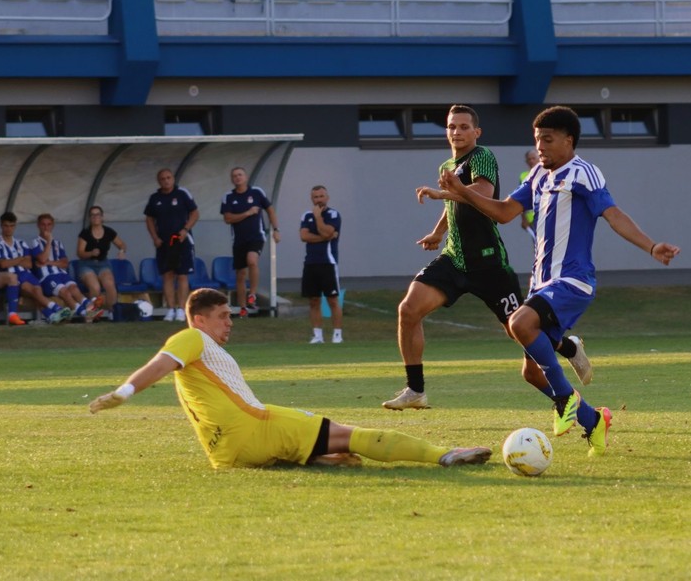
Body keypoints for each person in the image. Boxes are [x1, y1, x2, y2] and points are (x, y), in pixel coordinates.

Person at [436, 105, 680, 456]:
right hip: (541, 282)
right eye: (537, 141)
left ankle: (565, 398)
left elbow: (613, 214)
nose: (541, 148)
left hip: (572, 280)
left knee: (519, 322)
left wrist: (651, 246)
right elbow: (504, 213)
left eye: (548, 140)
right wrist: (462, 191)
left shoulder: (584, 173)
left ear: (569, 140)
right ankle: (595, 421)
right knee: (532, 373)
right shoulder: (536, 176)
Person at [89, 288, 492, 471]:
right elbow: (160, 364)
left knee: (326, 448)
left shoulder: (201, 354)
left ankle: (315, 457)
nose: (230, 321)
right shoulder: (191, 337)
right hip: (256, 426)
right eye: (224, 315)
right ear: (200, 318)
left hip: (226, 456)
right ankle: (444, 454)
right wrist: (124, 392)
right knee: (355, 435)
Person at [382, 105, 591, 411]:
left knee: (522, 336)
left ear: (476, 132)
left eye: (464, 126)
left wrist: (444, 193)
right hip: (455, 258)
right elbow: (456, 205)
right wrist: (439, 232)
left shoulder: (482, 156)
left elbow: (482, 192)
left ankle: (567, 352)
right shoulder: (448, 165)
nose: (457, 132)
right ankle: (416, 389)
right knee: (409, 309)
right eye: (452, 126)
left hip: (488, 264)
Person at [220, 166, 280, 318]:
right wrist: (247, 213)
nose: (238, 178)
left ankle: (252, 294)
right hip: (239, 239)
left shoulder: (257, 192)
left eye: (240, 174)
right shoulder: (228, 197)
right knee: (240, 273)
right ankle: (242, 307)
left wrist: (276, 229)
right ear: (232, 179)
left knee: (252, 261)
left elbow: (270, 210)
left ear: (245, 177)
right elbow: (228, 219)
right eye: (234, 176)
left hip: (256, 236)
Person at [0, 212, 71, 325]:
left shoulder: (21, 243)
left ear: (15, 226)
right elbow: (2, 264)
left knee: (36, 291)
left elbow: (29, 264)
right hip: (12, 277)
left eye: (11, 226)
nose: (9, 229)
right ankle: (56, 308)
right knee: (30, 289)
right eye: (6, 226)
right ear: (1, 226)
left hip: (27, 274)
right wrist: (20, 259)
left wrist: (14, 261)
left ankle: (51, 315)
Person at [145, 168, 199, 322]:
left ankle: (182, 309)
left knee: (182, 275)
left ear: (173, 179)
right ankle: (170, 309)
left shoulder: (182, 194)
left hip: (181, 240)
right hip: (163, 242)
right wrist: (154, 237)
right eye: (163, 178)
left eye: (169, 177)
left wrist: (185, 229)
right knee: (167, 275)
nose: (166, 180)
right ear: (159, 181)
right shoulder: (155, 198)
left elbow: (195, 213)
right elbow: (149, 218)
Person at [32, 213, 104, 323]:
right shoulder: (35, 242)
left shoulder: (58, 243)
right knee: (65, 291)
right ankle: (85, 314)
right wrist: (49, 241)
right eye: (43, 225)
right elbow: (42, 258)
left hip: (62, 274)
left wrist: (49, 262)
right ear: (38, 225)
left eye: (49, 224)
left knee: (74, 289)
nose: (46, 227)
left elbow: (65, 263)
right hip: (47, 277)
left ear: (53, 225)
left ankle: (91, 307)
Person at [299, 185, 343, 344]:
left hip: (328, 262)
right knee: (314, 300)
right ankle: (317, 335)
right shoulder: (306, 215)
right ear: (312, 198)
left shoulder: (333, 214)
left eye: (321, 196)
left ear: (327, 197)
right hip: (310, 262)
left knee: (332, 300)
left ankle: (337, 335)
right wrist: (325, 237)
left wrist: (318, 218)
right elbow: (304, 236)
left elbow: (328, 231)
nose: (318, 200)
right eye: (315, 197)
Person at [77, 205, 127, 317]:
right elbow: (80, 253)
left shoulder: (109, 232)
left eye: (98, 214)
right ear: (90, 218)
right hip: (87, 264)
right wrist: (90, 253)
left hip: (103, 263)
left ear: (102, 217)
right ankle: (92, 314)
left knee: (110, 284)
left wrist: (122, 251)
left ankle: (112, 312)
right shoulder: (85, 233)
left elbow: (122, 244)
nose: (95, 217)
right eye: (93, 215)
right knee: (95, 287)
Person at [519, 148, 539, 244]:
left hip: (546, 216)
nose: (531, 161)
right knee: (537, 248)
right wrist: (523, 219)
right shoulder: (524, 176)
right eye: (529, 159)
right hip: (531, 219)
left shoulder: (547, 174)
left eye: (533, 158)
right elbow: (521, 198)